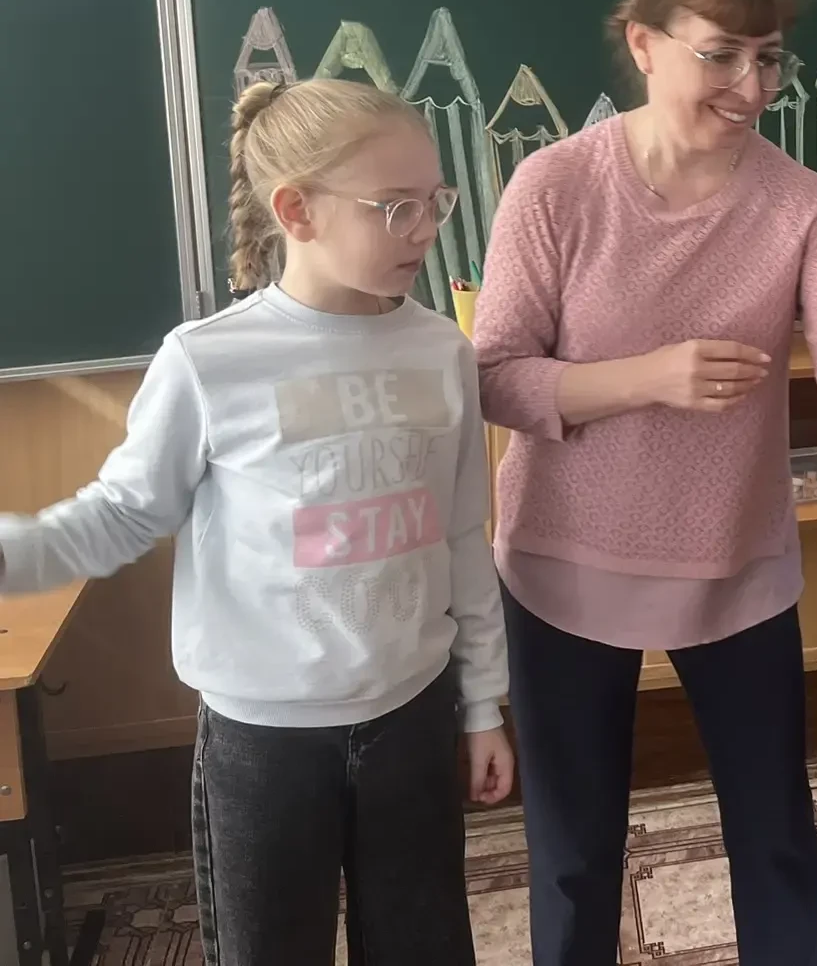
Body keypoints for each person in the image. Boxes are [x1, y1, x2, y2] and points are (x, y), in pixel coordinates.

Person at [475, 0, 817, 966]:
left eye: (770, 57)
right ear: (644, 44)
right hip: (563, 563)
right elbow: (494, 376)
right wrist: (647, 378)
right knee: (573, 853)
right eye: (722, 54)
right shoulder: (553, 188)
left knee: (775, 835)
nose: (752, 85)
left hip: (736, 567)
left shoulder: (803, 202)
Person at [0, 79, 512, 966]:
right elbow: (121, 514)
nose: (426, 229)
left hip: (413, 718)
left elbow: (462, 534)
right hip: (264, 740)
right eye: (396, 206)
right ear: (295, 210)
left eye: (437, 201)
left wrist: (482, 705)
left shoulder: (441, 351)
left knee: (426, 944)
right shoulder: (210, 362)